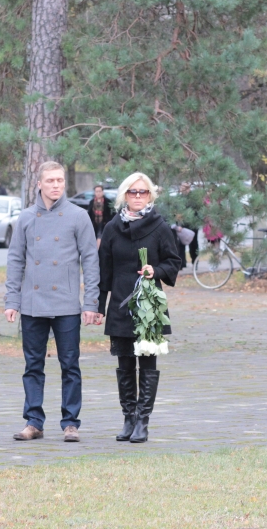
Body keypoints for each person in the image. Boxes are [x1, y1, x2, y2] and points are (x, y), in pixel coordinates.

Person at [4, 161, 100, 443]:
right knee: (33, 364)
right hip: (33, 302)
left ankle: (70, 423)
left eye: (59, 180)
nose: (56, 185)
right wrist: (12, 300)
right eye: (50, 181)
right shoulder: (26, 218)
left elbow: (91, 262)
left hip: (67, 303)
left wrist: (91, 303)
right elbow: (15, 260)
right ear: (39, 184)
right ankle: (33, 421)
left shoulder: (78, 216)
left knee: (70, 364)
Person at [97, 172, 181, 443]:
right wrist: (100, 306)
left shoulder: (159, 227)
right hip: (121, 303)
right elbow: (104, 270)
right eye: (132, 192)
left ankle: (143, 421)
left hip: (148, 306)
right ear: (124, 195)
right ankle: (128, 418)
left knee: (147, 361)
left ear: (150, 195)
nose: (137, 196)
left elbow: (174, 262)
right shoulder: (112, 228)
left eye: (142, 192)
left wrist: (154, 270)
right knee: (124, 363)